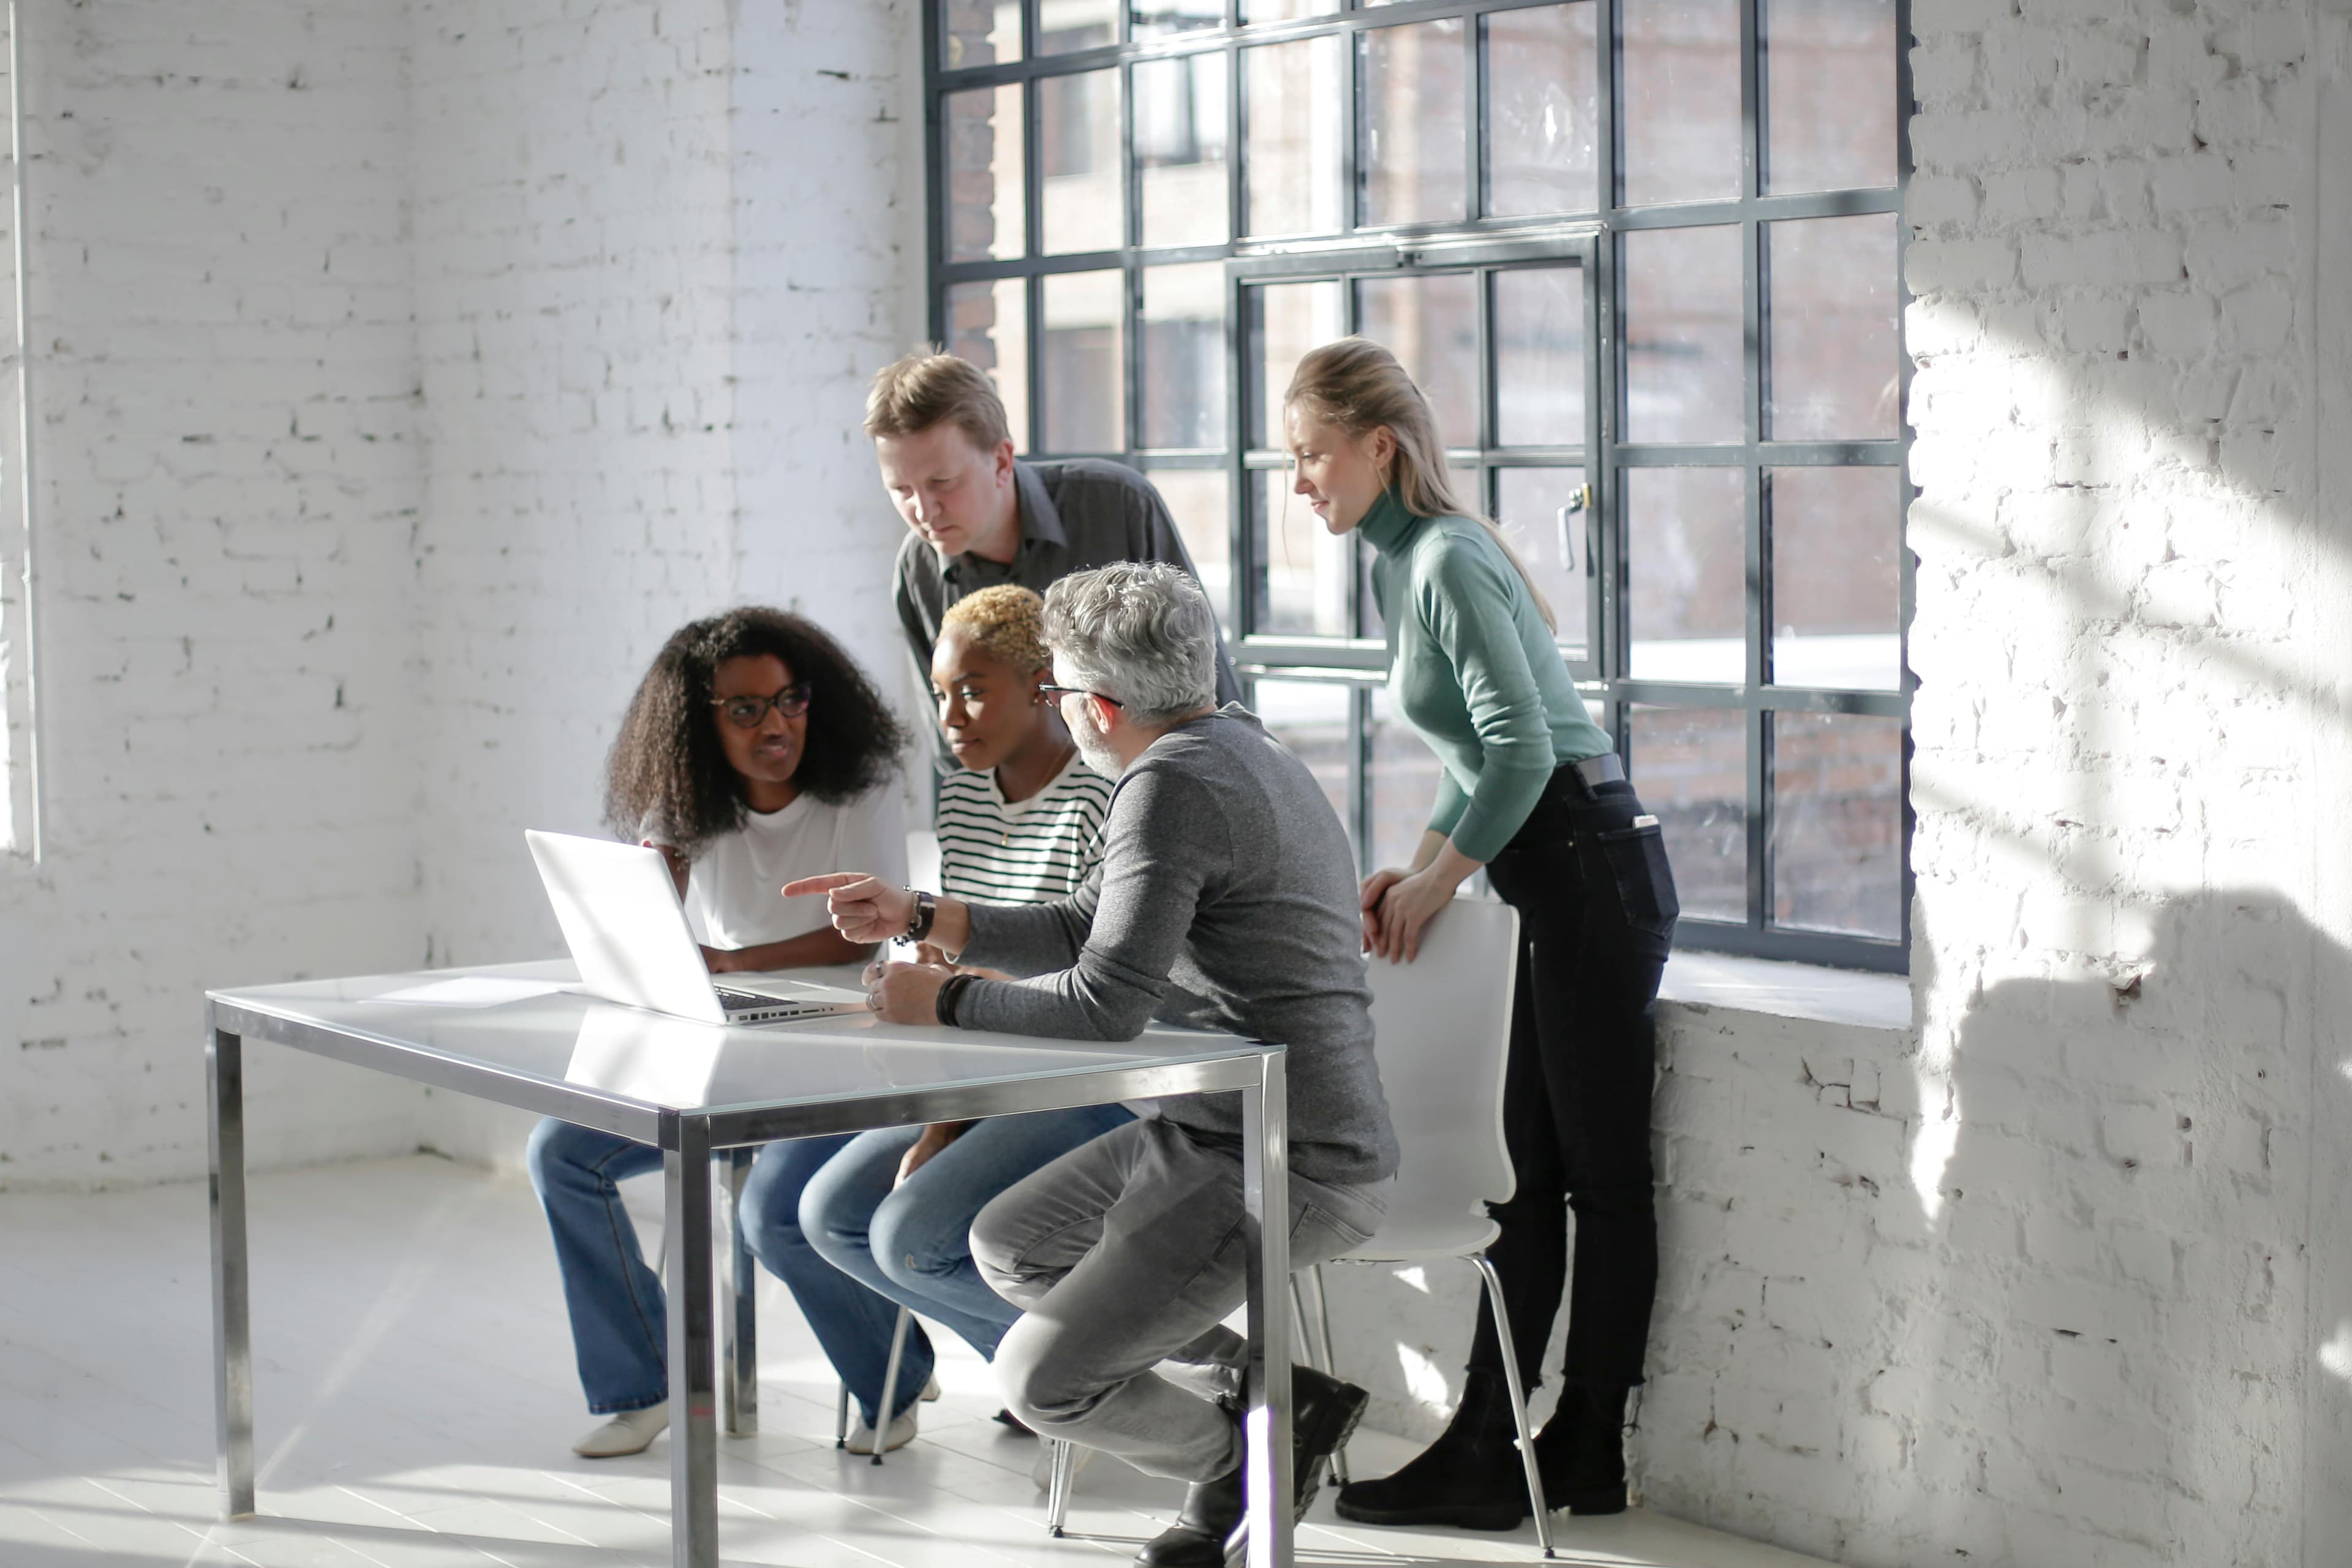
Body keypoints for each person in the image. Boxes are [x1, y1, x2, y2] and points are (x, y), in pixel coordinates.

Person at [1284, 339, 1681, 1526]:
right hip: (1554, 865)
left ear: (1378, 445)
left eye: (1311, 454)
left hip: (1587, 868)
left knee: (1595, 1181)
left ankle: (1574, 1447)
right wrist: (1427, 859)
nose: (1300, 480)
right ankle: (1503, 1442)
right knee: (1530, 1179)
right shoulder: (1402, 561)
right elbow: (1482, 755)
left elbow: (1527, 748)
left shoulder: (1447, 557)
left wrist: (1444, 875)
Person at [526, 607, 924, 1460]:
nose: (774, 724)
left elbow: (861, 928)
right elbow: (665, 948)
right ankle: (642, 1385)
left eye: (790, 700)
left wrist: (727, 964)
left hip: (844, 1046)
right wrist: (654, 898)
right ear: (700, 721)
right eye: (743, 709)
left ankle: (892, 1373)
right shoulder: (686, 795)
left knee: (772, 1210)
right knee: (562, 1156)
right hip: (722, 1047)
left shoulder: (863, 783)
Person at [794, 584, 1131, 1444]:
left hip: (1079, 1077)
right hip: (981, 1069)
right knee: (827, 1214)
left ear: (1041, 683)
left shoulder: (1107, 799)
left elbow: (1075, 980)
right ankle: (1056, 1382)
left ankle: (1088, 1382)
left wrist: (939, 1129)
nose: (951, 715)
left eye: (974, 691)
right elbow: (953, 956)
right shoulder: (964, 793)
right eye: (941, 693)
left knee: (908, 1236)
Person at [867, 350, 1240, 761]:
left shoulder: (1118, 505)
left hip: (1155, 785)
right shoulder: (917, 570)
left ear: (1002, 461)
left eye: (943, 482)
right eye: (901, 490)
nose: (922, 511)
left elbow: (1208, 689)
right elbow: (955, 748)